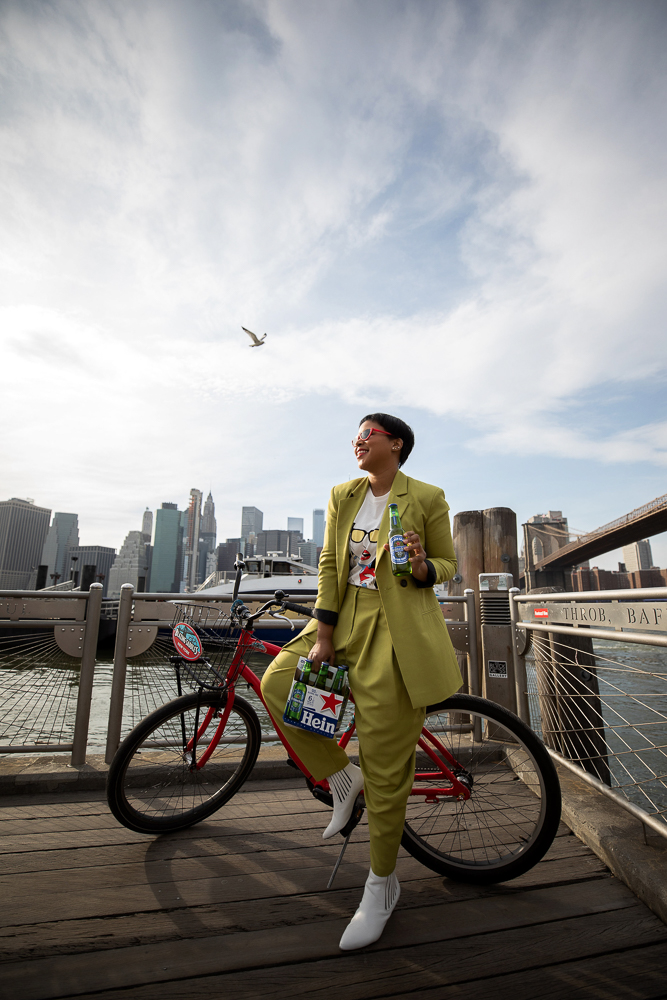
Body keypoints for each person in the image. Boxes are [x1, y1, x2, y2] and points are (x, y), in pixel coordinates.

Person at [261, 413, 462, 950]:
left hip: (395, 630)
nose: (358, 439)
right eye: (356, 433)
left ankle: (382, 884)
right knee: (278, 682)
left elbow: (447, 564)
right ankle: (339, 777)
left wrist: (422, 567)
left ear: (395, 444)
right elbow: (330, 560)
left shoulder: (427, 495)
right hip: (339, 617)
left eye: (368, 433)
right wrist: (322, 631)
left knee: (386, 761)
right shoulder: (343, 493)